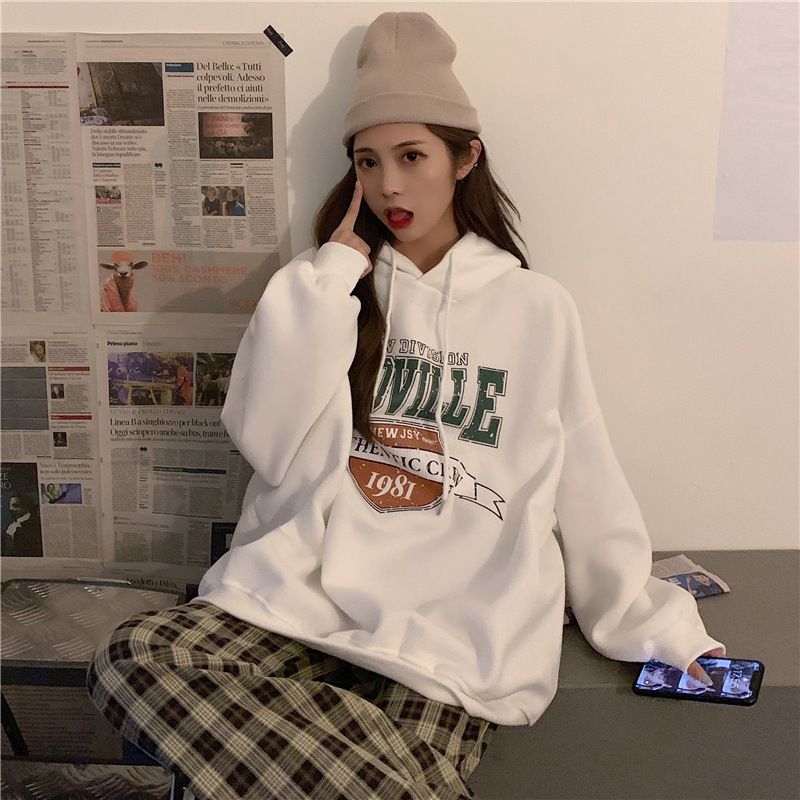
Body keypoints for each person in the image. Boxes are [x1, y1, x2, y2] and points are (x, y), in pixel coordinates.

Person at [87, 13, 724, 800]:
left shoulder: (535, 309)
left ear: (465, 158)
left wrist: (655, 626)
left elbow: (585, 475)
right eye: (369, 161)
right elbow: (265, 439)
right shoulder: (321, 290)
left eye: (412, 156)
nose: (389, 184)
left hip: (453, 632)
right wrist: (331, 279)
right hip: (299, 603)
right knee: (134, 658)